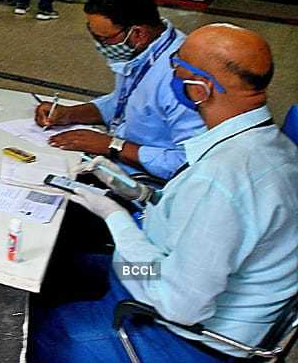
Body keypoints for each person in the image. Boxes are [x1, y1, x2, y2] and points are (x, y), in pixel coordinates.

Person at [32, 23, 298, 362]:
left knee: (28, 328)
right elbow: (197, 222)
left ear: (199, 89)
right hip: (175, 272)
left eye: (178, 70)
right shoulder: (272, 146)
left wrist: (114, 217)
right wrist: (137, 192)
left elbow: (180, 303)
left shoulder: (224, 179)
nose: (173, 77)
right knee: (61, 267)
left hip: (174, 334)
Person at [35, 0, 202, 179]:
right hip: (117, 162)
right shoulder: (144, 50)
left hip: (148, 182)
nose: (100, 45)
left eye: (104, 39)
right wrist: (69, 114)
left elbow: (189, 163)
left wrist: (113, 146)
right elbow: (124, 102)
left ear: (138, 33)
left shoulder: (181, 78)